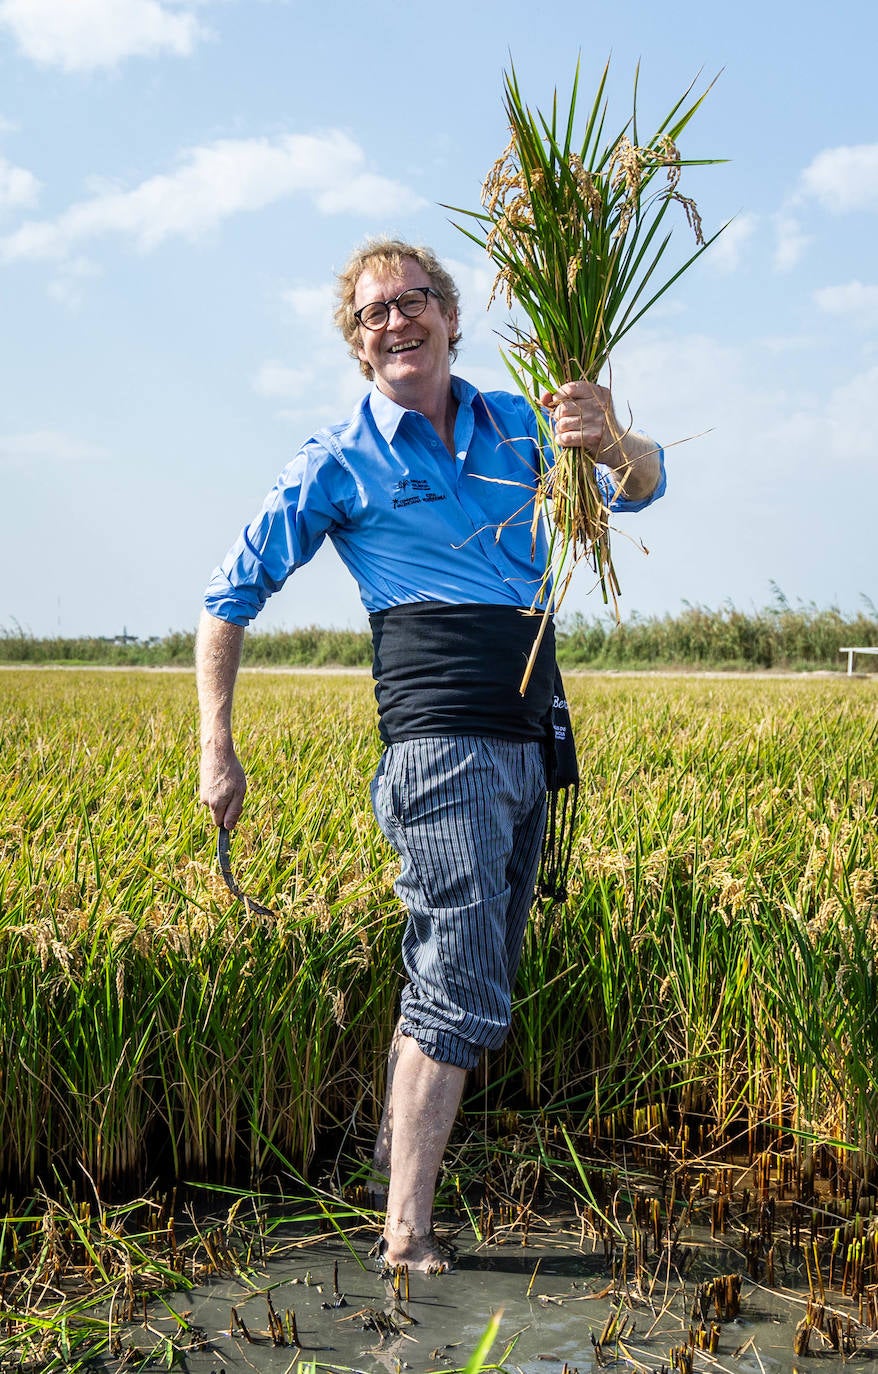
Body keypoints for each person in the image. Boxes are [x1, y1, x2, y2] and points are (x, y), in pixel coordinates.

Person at [196, 236, 665, 1274]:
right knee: (454, 987)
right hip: (437, 742)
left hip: (529, 734)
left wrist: (607, 434)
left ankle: (385, 1170)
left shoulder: (522, 426)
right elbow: (226, 601)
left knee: (470, 979)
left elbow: (640, 488)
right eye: (373, 315)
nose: (396, 321)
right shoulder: (335, 461)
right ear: (358, 348)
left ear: (452, 317)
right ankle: (404, 1237)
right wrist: (215, 743)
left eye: (413, 302)